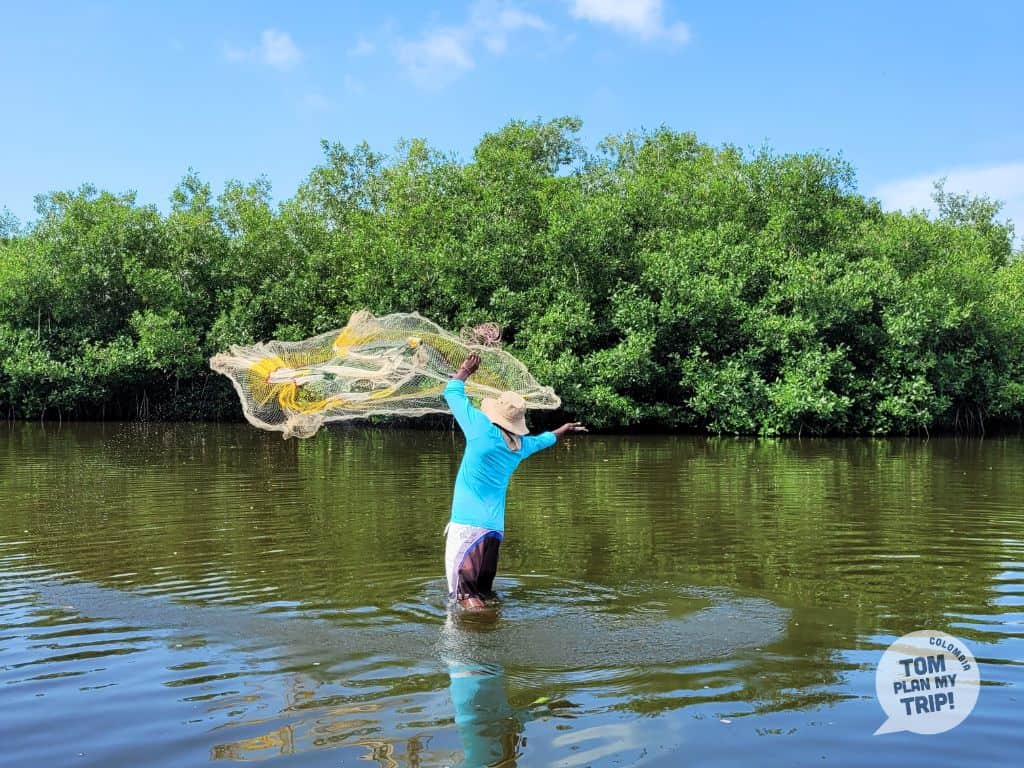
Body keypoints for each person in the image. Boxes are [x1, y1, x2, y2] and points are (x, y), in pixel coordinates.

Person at [443, 353, 586, 609]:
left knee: (465, 598)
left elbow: (452, 391)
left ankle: (486, 638)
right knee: (483, 594)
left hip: (466, 528)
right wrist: (561, 431)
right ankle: (490, 636)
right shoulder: (519, 446)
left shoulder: (479, 429)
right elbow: (544, 440)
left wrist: (466, 370)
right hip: (494, 532)